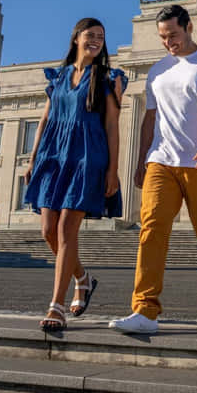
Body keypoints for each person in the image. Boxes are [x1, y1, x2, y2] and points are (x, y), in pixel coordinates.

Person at [110, 5, 197, 334]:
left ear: (189, 27)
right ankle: (144, 309)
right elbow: (150, 118)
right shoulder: (157, 71)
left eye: (173, 35)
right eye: (163, 38)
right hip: (161, 160)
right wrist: (142, 160)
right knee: (151, 229)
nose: (169, 43)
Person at [24, 17, 126, 331]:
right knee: (48, 231)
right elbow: (45, 120)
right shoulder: (58, 77)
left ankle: (56, 306)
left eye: (101, 37)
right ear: (76, 38)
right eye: (90, 35)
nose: (95, 40)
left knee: (67, 229)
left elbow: (112, 126)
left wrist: (112, 170)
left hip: (87, 156)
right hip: (53, 155)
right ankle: (82, 277)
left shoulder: (108, 78)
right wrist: (33, 159)